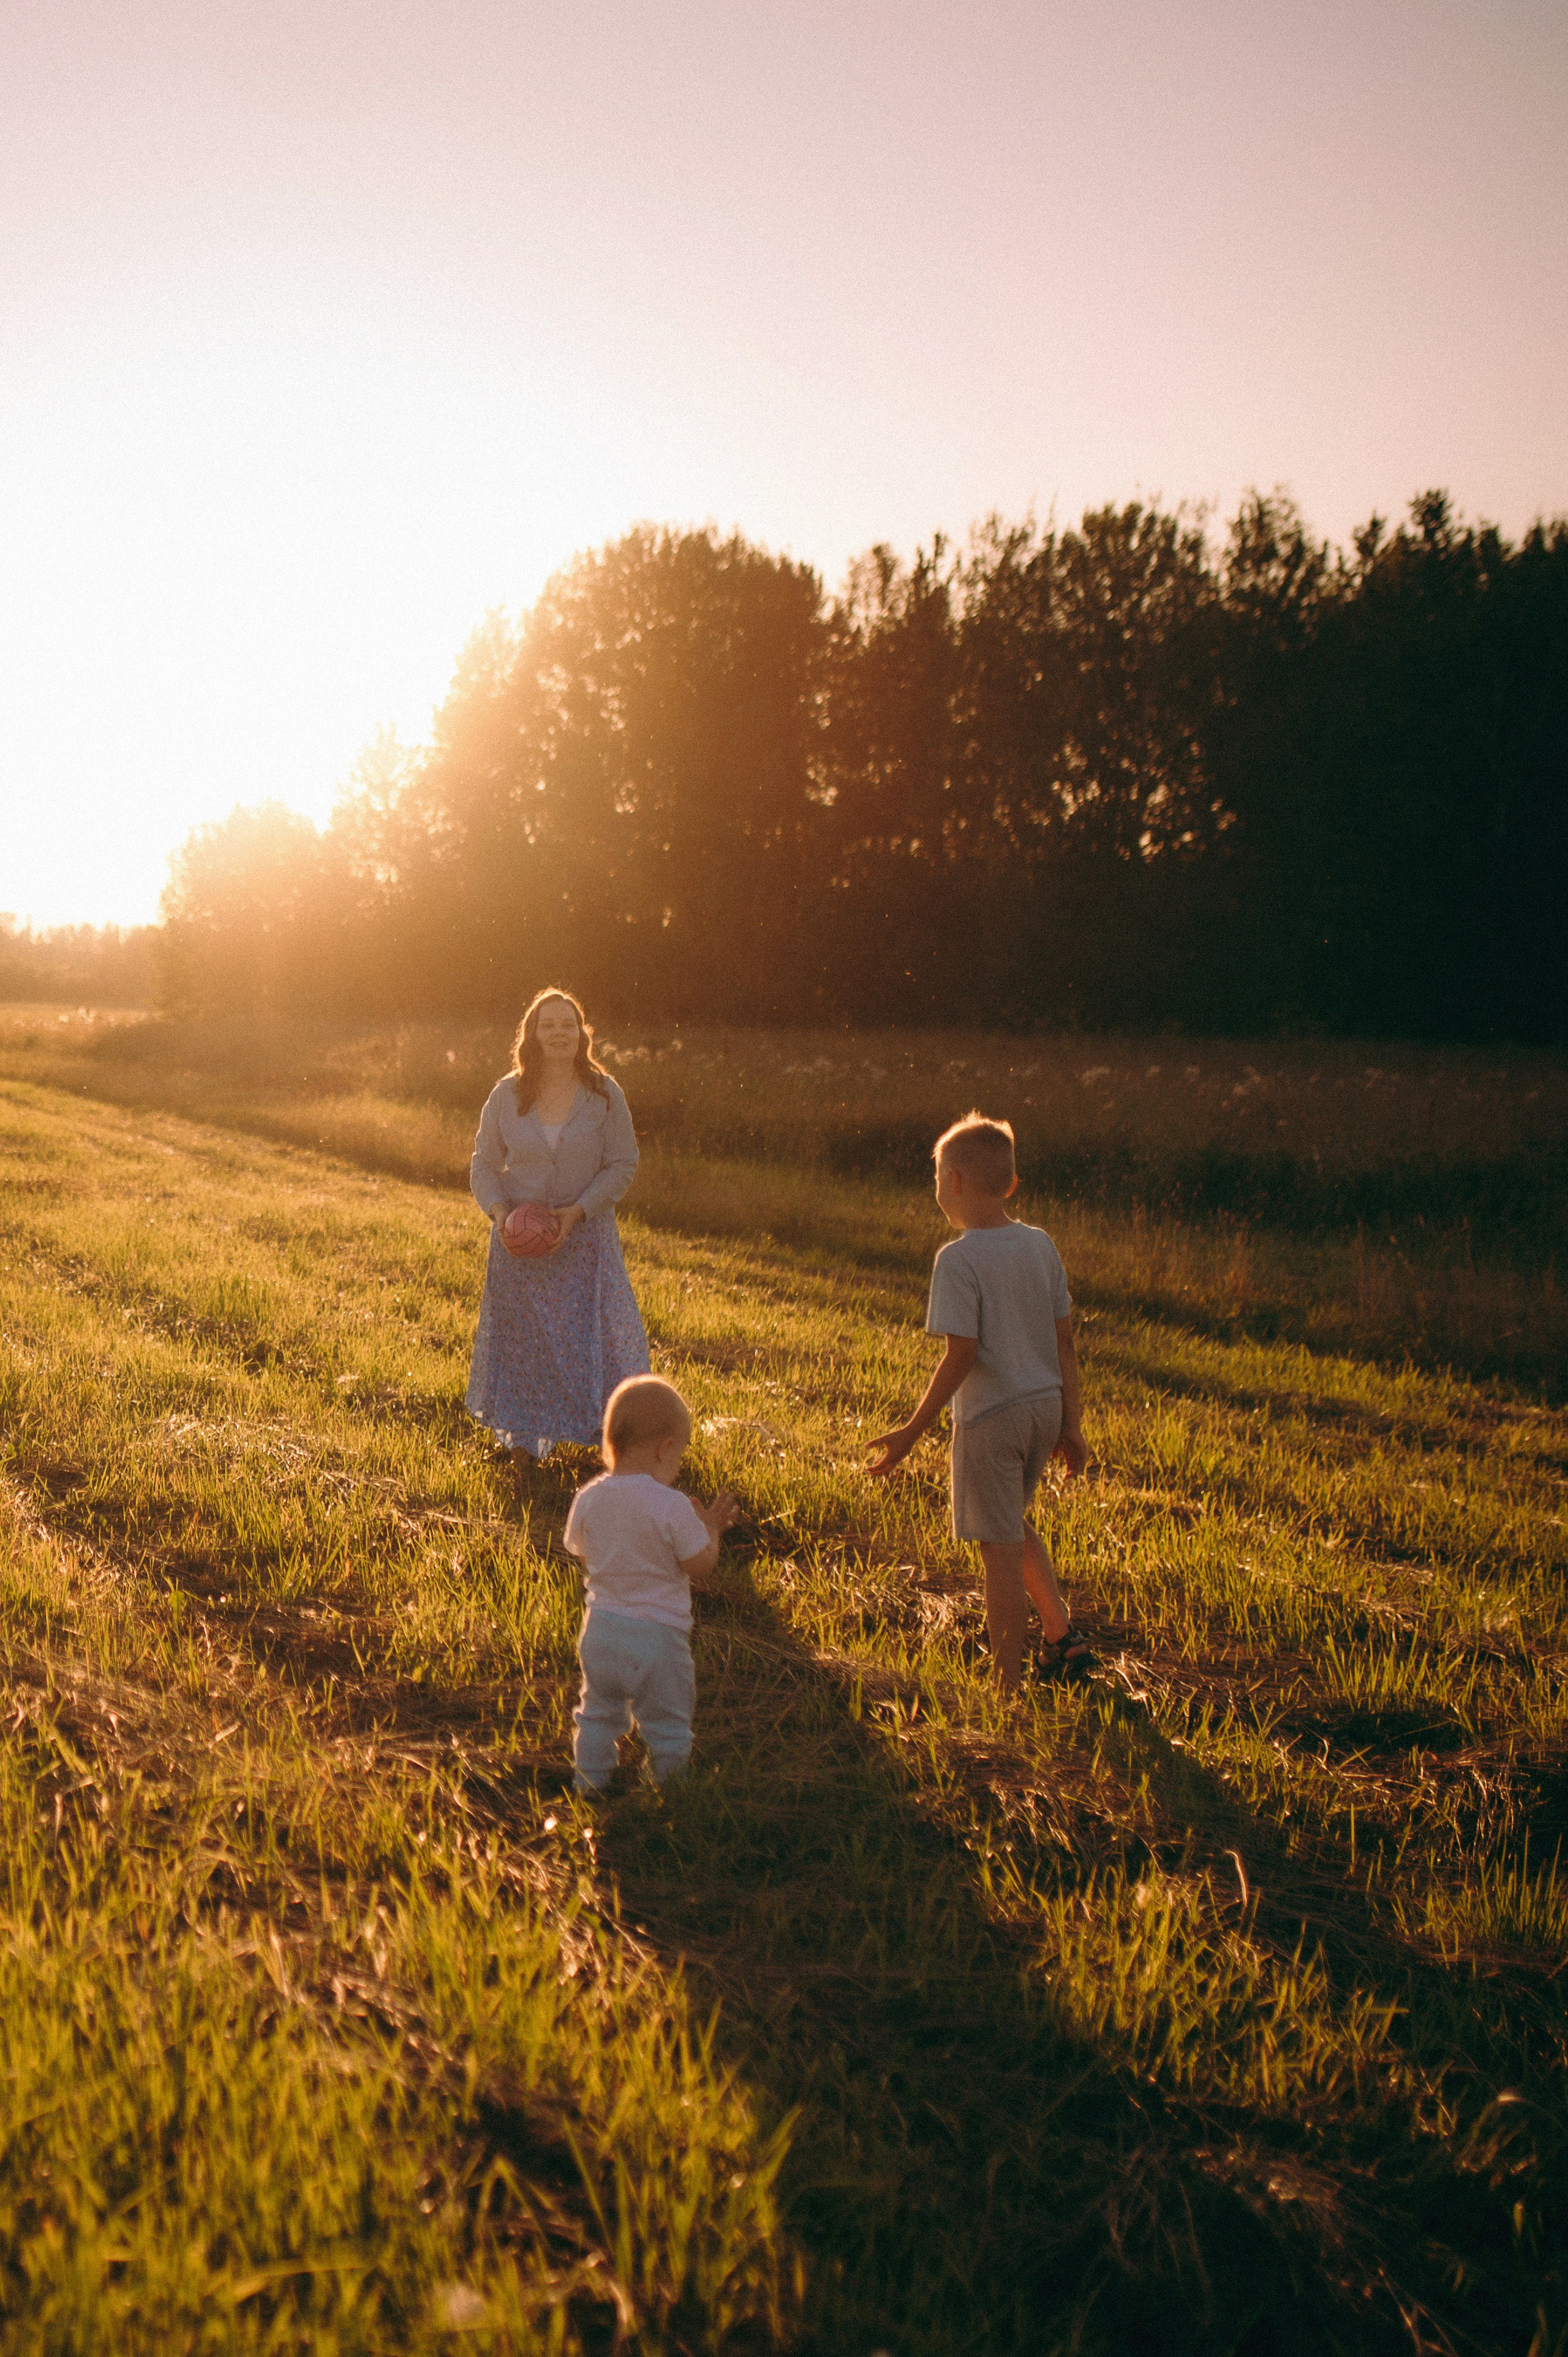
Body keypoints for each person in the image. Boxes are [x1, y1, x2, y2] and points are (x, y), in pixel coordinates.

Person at [866, 1112, 1091, 1692]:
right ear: (1010, 1184)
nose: (936, 1187)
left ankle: (1006, 1688)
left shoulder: (959, 1259)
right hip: (1043, 1408)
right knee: (1010, 1525)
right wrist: (1071, 1423)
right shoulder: (1040, 1245)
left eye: (936, 1177)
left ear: (955, 1181)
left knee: (998, 1553)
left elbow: (961, 1355)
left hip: (993, 1418)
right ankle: (1061, 1635)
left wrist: (911, 1431)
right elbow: (1065, 1340)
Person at [467, 987, 651, 1477]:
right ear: (532, 1034)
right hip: (519, 1247)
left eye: (567, 1024)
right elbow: (484, 1163)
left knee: (607, 1341)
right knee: (524, 1346)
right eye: (548, 1024)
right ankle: (523, 1451)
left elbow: (623, 1162)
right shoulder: (506, 1095)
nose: (558, 1032)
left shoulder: (605, 1093)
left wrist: (578, 1212)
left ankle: (622, 1446)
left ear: (581, 1034)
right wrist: (501, 1214)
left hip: (585, 1241)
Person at [563, 1375, 738, 1794]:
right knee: (668, 1726)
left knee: (596, 1714)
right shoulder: (672, 1505)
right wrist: (711, 1530)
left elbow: (584, 1555)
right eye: (679, 1456)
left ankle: (589, 1782)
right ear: (665, 1449)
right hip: (658, 1640)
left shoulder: (589, 1496)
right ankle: (668, 1790)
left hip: (601, 1632)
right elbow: (700, 1566)